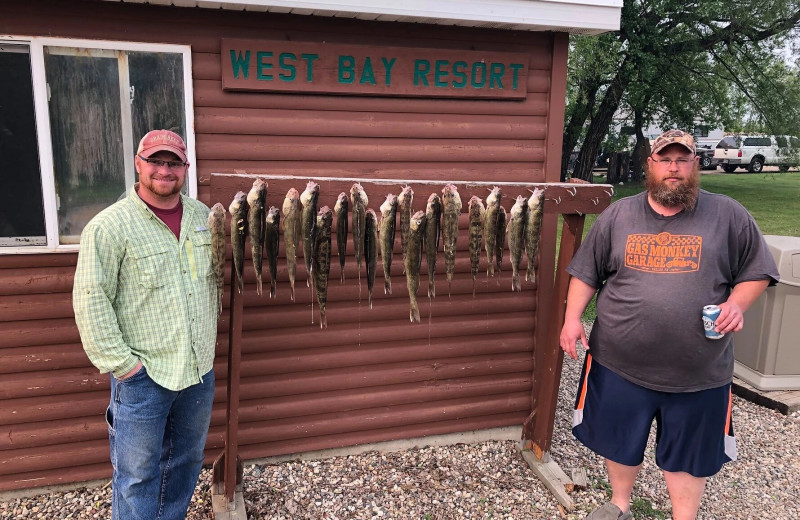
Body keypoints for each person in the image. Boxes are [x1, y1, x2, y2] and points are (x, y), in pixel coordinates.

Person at [559, 129, 779, 520]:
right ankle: (620, 504)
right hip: (619, 361)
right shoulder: (620, 214)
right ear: (651, 165)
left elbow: (757, 271)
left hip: (698, 371)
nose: (673, 167)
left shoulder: (728, 214)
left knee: (689, 455)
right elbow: (587, 272)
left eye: (682, 159)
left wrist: (736, 303)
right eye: (665, 159)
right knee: (619, 440)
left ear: (696, 165)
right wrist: (572, 319)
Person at [73, 130, 218, 520]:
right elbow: (90, 300)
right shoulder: (109, 227)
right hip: (143, 377)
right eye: (156, 161)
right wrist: (126, 367)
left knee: (185, 464)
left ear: (186, 168)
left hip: (198, 370)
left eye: (173, 163)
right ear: (138, 164)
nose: (164, 170)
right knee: (137, 475)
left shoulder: (204, 219)